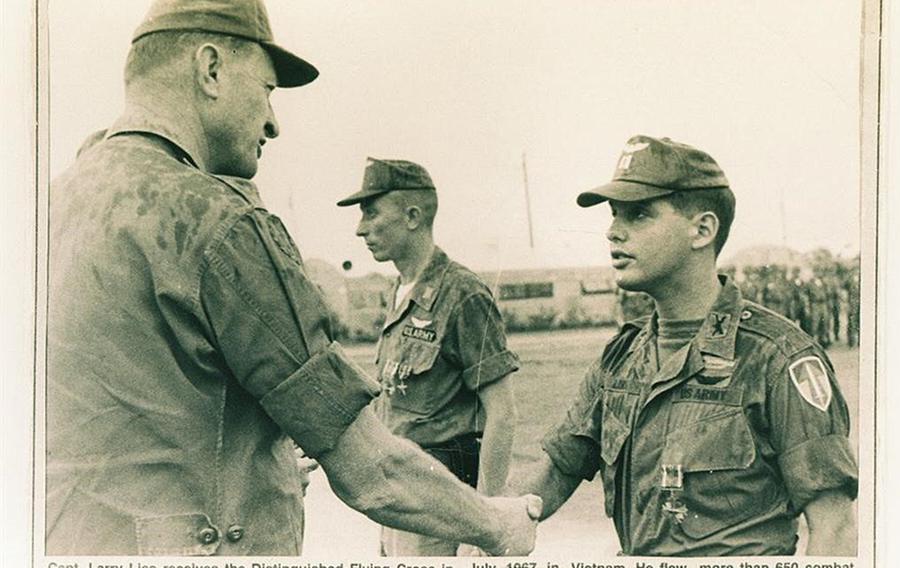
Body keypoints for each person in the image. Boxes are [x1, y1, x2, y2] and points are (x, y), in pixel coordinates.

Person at [46, 0, 540, 556]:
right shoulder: (219, 221)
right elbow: (370, 470)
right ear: (210, 69)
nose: (273, 122)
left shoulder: (47, 207)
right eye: (267, 89)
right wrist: (498, 524)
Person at [508, 135, 858, 556]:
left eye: (638, 215)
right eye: (615, 215)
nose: (613, 231)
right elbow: (557, 469)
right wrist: (483, 521)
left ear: (702, 230)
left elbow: (835, 528)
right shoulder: (622, 357)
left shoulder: (778, 357)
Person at [337, 158, 520, 556]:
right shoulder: (400, 292)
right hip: (400, 499)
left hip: (443, 505)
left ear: (413, 216)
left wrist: (484, 522)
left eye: (371, 212)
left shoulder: (463, 294)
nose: (360, 227)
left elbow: (502, 413)